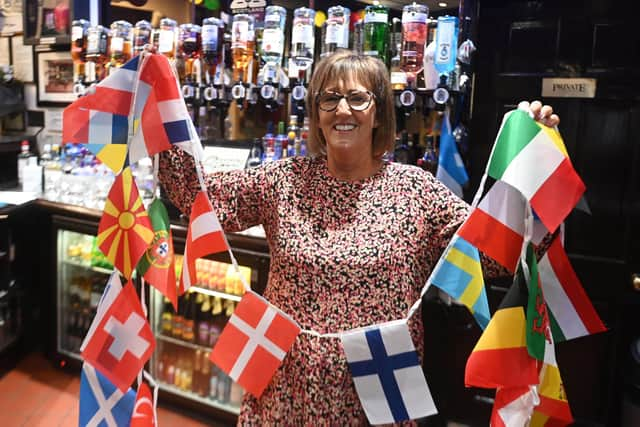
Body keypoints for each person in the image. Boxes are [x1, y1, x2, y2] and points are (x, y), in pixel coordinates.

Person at [158, 50, 559, 425]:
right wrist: (158, 101)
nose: (342, 110)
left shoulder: (415, 190)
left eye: (357, 98)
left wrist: (534, 158)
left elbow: (497, 254)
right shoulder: (281, 181)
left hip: (380, 402)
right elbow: (195, 197)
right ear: (315, 114)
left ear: (379, 113)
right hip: (283, 396)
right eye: (329, 99)